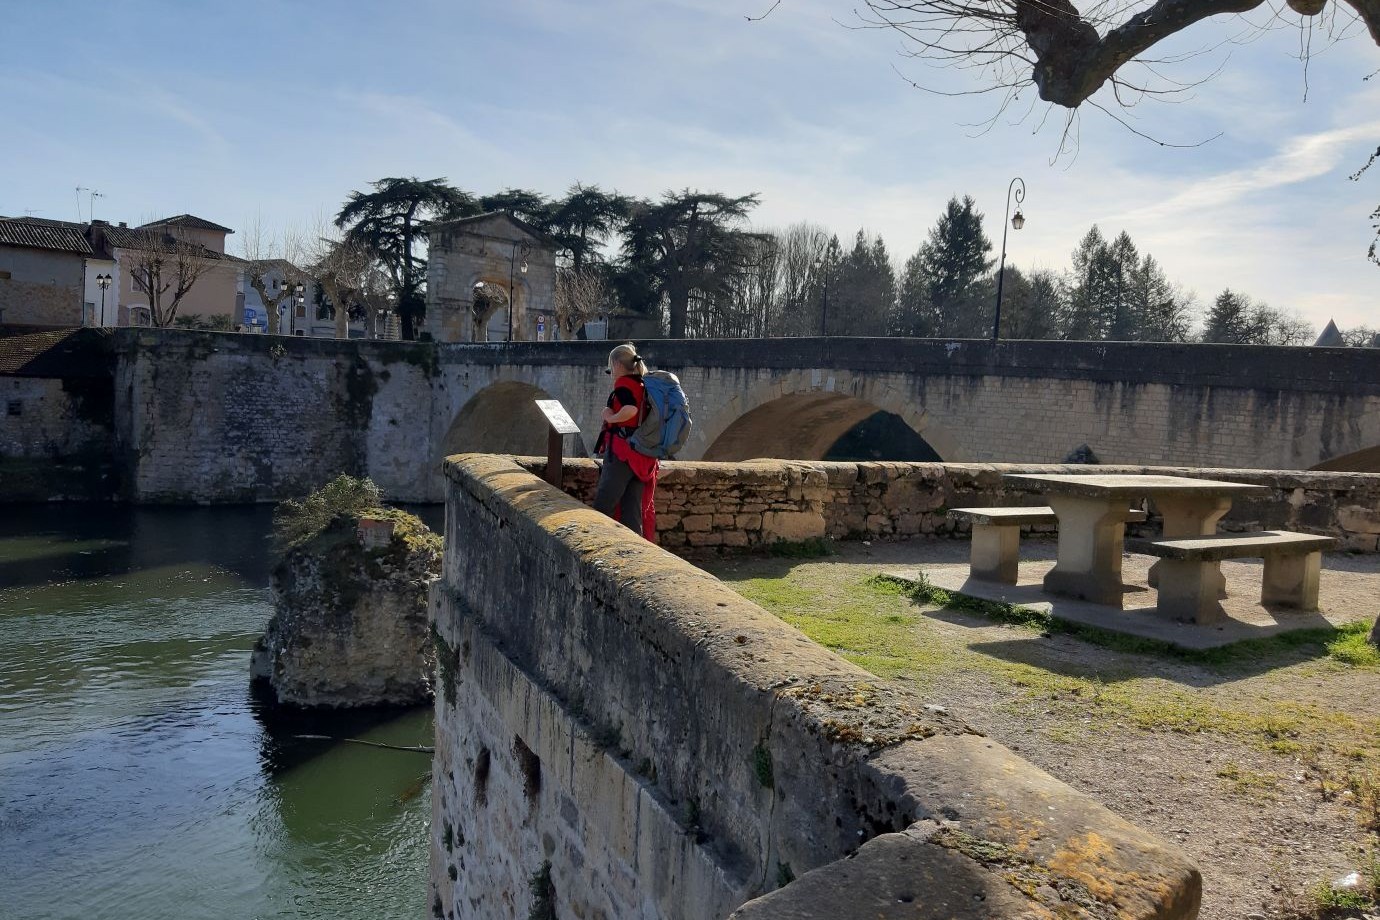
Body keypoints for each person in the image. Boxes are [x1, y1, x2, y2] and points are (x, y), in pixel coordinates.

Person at [593, 343, 658, 537]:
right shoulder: (643, 384)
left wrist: (610, 418)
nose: (611, 372)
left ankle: (595, 544)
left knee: (604, 504)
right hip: (642, 454)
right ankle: (635, 551)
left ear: (617, 364)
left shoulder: (624, 384)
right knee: (632, 511)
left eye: (611, 367)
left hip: (622, 452)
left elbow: (631, 409)